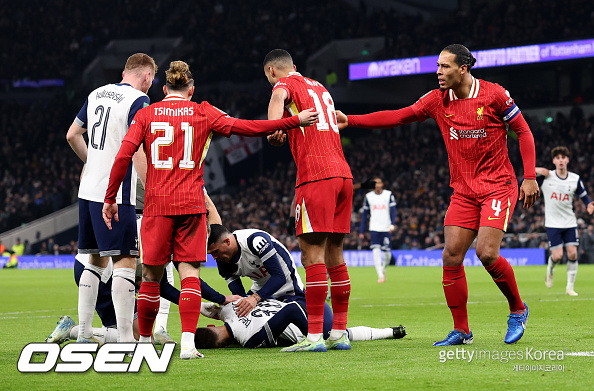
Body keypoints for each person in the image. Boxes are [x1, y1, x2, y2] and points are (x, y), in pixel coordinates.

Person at [102, 60, 317, 359]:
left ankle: (144, 344)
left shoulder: (146, 114)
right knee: (189, 274)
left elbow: (124, 155)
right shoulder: (204, 111)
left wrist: (110, 197)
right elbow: (249, 127)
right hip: (191, 205)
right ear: (191, 90)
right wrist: (293, 121)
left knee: (151, 278)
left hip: (157, 205)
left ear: (164, 89)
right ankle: (189, 344)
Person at [336, 44, 540, 346]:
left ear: (463, 69)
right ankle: (462, 330)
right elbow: (400, 116)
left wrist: (531, 176)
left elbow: (523, 131)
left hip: (498, 185)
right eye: (437, 66)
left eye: (445, 66)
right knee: (451, 255)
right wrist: (350, 120)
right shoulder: (436, 100)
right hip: (464, 191)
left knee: (486, 253)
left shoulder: (495, 94)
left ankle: (518, 309)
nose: (438, 72)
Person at [263, 49, 354, 352]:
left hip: (316, 176)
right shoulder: (320, 87)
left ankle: (314, 336)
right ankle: (339, 333)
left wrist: (275, 126)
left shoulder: (282, 84)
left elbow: (277, 107)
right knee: (336, 256)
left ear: (271, 71)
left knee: (312, 255)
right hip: (343, 175)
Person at [66, 53, 157, 344]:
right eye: (151, 80)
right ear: (147, 77)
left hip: (88, 190)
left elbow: (72, 135)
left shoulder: (96, 94)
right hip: (117, 194)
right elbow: (139, 150)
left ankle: (82, 334)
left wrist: (93, 162)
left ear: (124, 71)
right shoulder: (139, 101)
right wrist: (152, 189)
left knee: (94, 260)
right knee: (125, 261)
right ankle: (127, 342)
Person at [194, 299, 406, 349]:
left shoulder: (249, 339)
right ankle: (393, 331)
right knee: (342, 333)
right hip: (313, 303)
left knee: (332, 336)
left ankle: (318, 337)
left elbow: (292, 310)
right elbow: (198, 304)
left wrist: (314, 337)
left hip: (314, 318)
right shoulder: (230, 307)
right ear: (212, 325)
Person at [536, 146, 594, 296]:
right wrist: (536, 170)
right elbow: (524, 181)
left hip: (569, 222)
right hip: (553, 223)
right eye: (558, 158)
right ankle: (550, 270)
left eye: (563, 157)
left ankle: (570, 287)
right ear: (554, 161)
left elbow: (585, 197)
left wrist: (589, 205)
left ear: (567, 160)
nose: (561, 160)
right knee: (557, 256)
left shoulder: (575, 178)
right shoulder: (547, 177)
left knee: (573, 254)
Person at [359, 177, 397, 283]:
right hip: (374, 228)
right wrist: (361, 231)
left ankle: (383, 269)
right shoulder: (368, 196)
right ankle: (380, 275)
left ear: (382, 184)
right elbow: (364, 215)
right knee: (375, 251)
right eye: (375, 183)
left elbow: (394, 211)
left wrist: (392, 224)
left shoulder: (388, 194)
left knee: (387, 254)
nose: (377, 185)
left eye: (379, 182)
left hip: (386, 227)